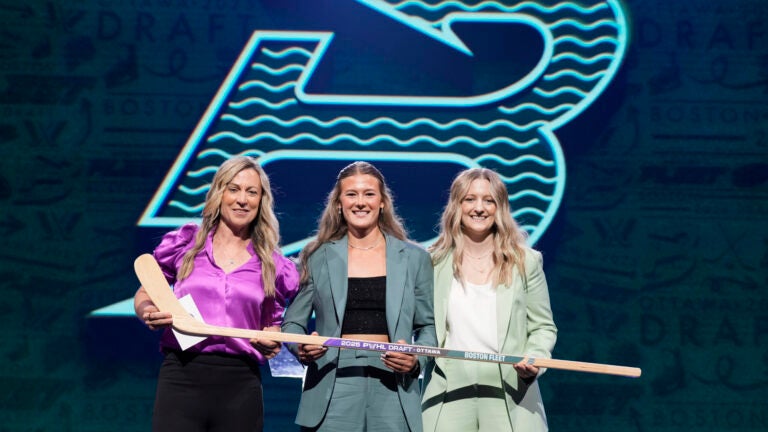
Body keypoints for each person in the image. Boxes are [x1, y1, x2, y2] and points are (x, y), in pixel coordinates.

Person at [133, 156, 300, 432]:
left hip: (240, 383)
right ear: (219, 194)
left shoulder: (272, 265)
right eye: (233, 189)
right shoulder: (186, 244)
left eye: (252, 192)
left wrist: (272, 343)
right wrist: (147, 311)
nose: (242, 199)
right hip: (182, 375)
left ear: (261, 201)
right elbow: (145, 292)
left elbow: (271, 326)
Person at [281, 161, 436, 432]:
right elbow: (292, 323)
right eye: (351, 194)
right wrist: (302, 347)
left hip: (394, 382)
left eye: (369, 194)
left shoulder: (415, 258)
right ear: (339, 203)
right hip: (333, 380)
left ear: (382, 202)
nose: (360, 202)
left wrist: (416, 360)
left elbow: (428, 327)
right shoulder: (316, 256)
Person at [421, 168, 557, 432]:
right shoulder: (431, 263)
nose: (479, 208)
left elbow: (543, 327)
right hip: (448, 388)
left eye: (489, 200)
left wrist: (534, 359)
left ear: (500, 207)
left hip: (510, 387)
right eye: (469, 199)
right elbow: (422, 326)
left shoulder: (526, 262)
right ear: (456, 206)